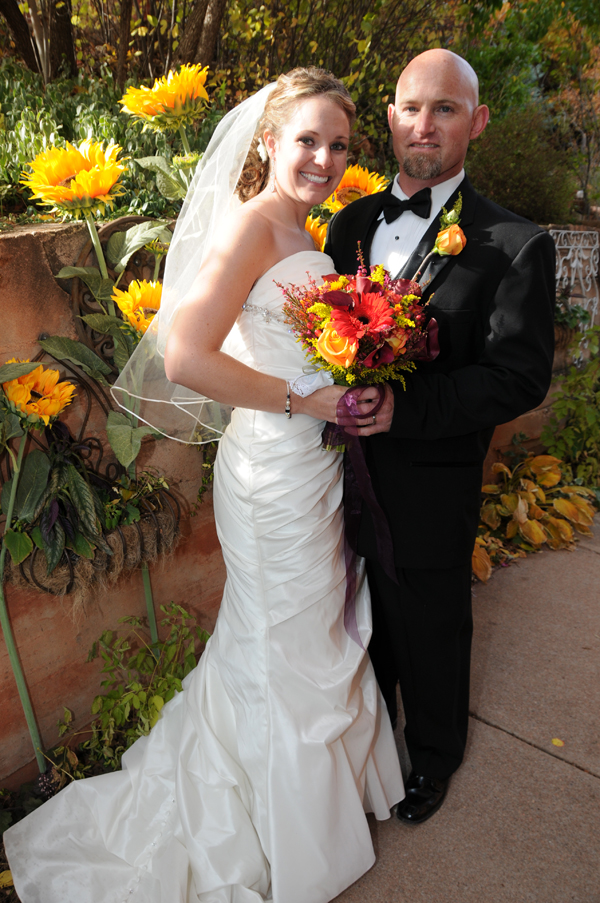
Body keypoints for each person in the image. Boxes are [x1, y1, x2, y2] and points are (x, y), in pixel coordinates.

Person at [4, 68, 404, 903]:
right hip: (271, 467)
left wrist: (342, 386)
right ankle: (266, 831)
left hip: (312, 465)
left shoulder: (311, 236)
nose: (325, 159)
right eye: (308, 141)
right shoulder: (254, 228)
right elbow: (186, 357)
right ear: (268, 141)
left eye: (338, 145)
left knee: (297, 635)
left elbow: (299, 348)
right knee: (282, 642)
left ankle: (297, 810)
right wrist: (305, 397)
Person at [325, 49, 555, 825]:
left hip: (431, 478)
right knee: (353, 618)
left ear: (478, 122)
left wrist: (407, 411)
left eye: (446, 109)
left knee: (430, 622)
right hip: (333, 475)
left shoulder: (515, 243)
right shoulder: (349, 224)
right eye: (412, 108)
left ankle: (432, 755)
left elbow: (518, 377)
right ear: (389, 118)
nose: (426, 124)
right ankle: (363, 745)